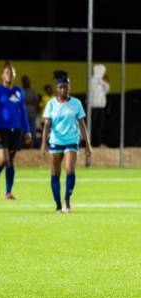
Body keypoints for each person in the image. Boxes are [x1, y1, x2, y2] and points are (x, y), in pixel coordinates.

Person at [40, 70, 92, 213]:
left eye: (66, 86)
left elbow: (82, 124)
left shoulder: (76, 103)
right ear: (57, 88)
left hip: (71, 140)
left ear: (69, 87)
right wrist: (44, 144)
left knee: (69, 170)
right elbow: (47, 126)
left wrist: (88, 144)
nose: (63, 89)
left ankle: (67, 200)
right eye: (61, 86)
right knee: (55, 172)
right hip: (56, 141)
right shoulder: (51, 104)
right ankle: (58, 205)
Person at [0, 62, 32, 200]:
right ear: (3, 75)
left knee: (11, 161)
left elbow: (23, 111)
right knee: (4, 158)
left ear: (14, 75)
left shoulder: (19, 91)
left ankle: (8, 192)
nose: (9, 75)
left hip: (16, 129)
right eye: (7, 72)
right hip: (1, 129)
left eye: (12, 72)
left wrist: (27, 130)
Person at [89, 64, 110, 146]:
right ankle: (87, 142)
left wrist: (104, 83)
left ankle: (99, 142)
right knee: (91, 125)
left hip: (101, 107)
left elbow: (107, 91)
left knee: (100, 126)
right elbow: (91, 90)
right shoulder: (92, 80)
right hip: (94, 106)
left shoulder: (103, 81)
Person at [21, 75, 41, 142]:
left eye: (27, 81)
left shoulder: (32, 91)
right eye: (24, 81)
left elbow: (36, 102)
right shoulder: (20, 91)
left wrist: (37, 111)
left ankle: (32, 144)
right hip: (22, 114)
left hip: (32, 114)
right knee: (22, 129)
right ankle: (22, 144)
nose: (26, 82)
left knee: (32, 129)